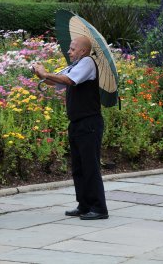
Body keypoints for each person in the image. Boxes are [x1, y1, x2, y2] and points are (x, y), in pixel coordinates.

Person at [33, 36, 109, 220]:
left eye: (73, 48)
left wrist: (45, 74)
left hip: (89, 122)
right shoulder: (76, 65)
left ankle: (99, 208)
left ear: (83, 50)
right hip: (77, 123)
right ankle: (84, 205)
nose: (69, 51)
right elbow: (56, 82)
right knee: (78, 167)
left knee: (90, 166)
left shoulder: (88, 63)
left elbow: (68, 81)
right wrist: (40, 74)